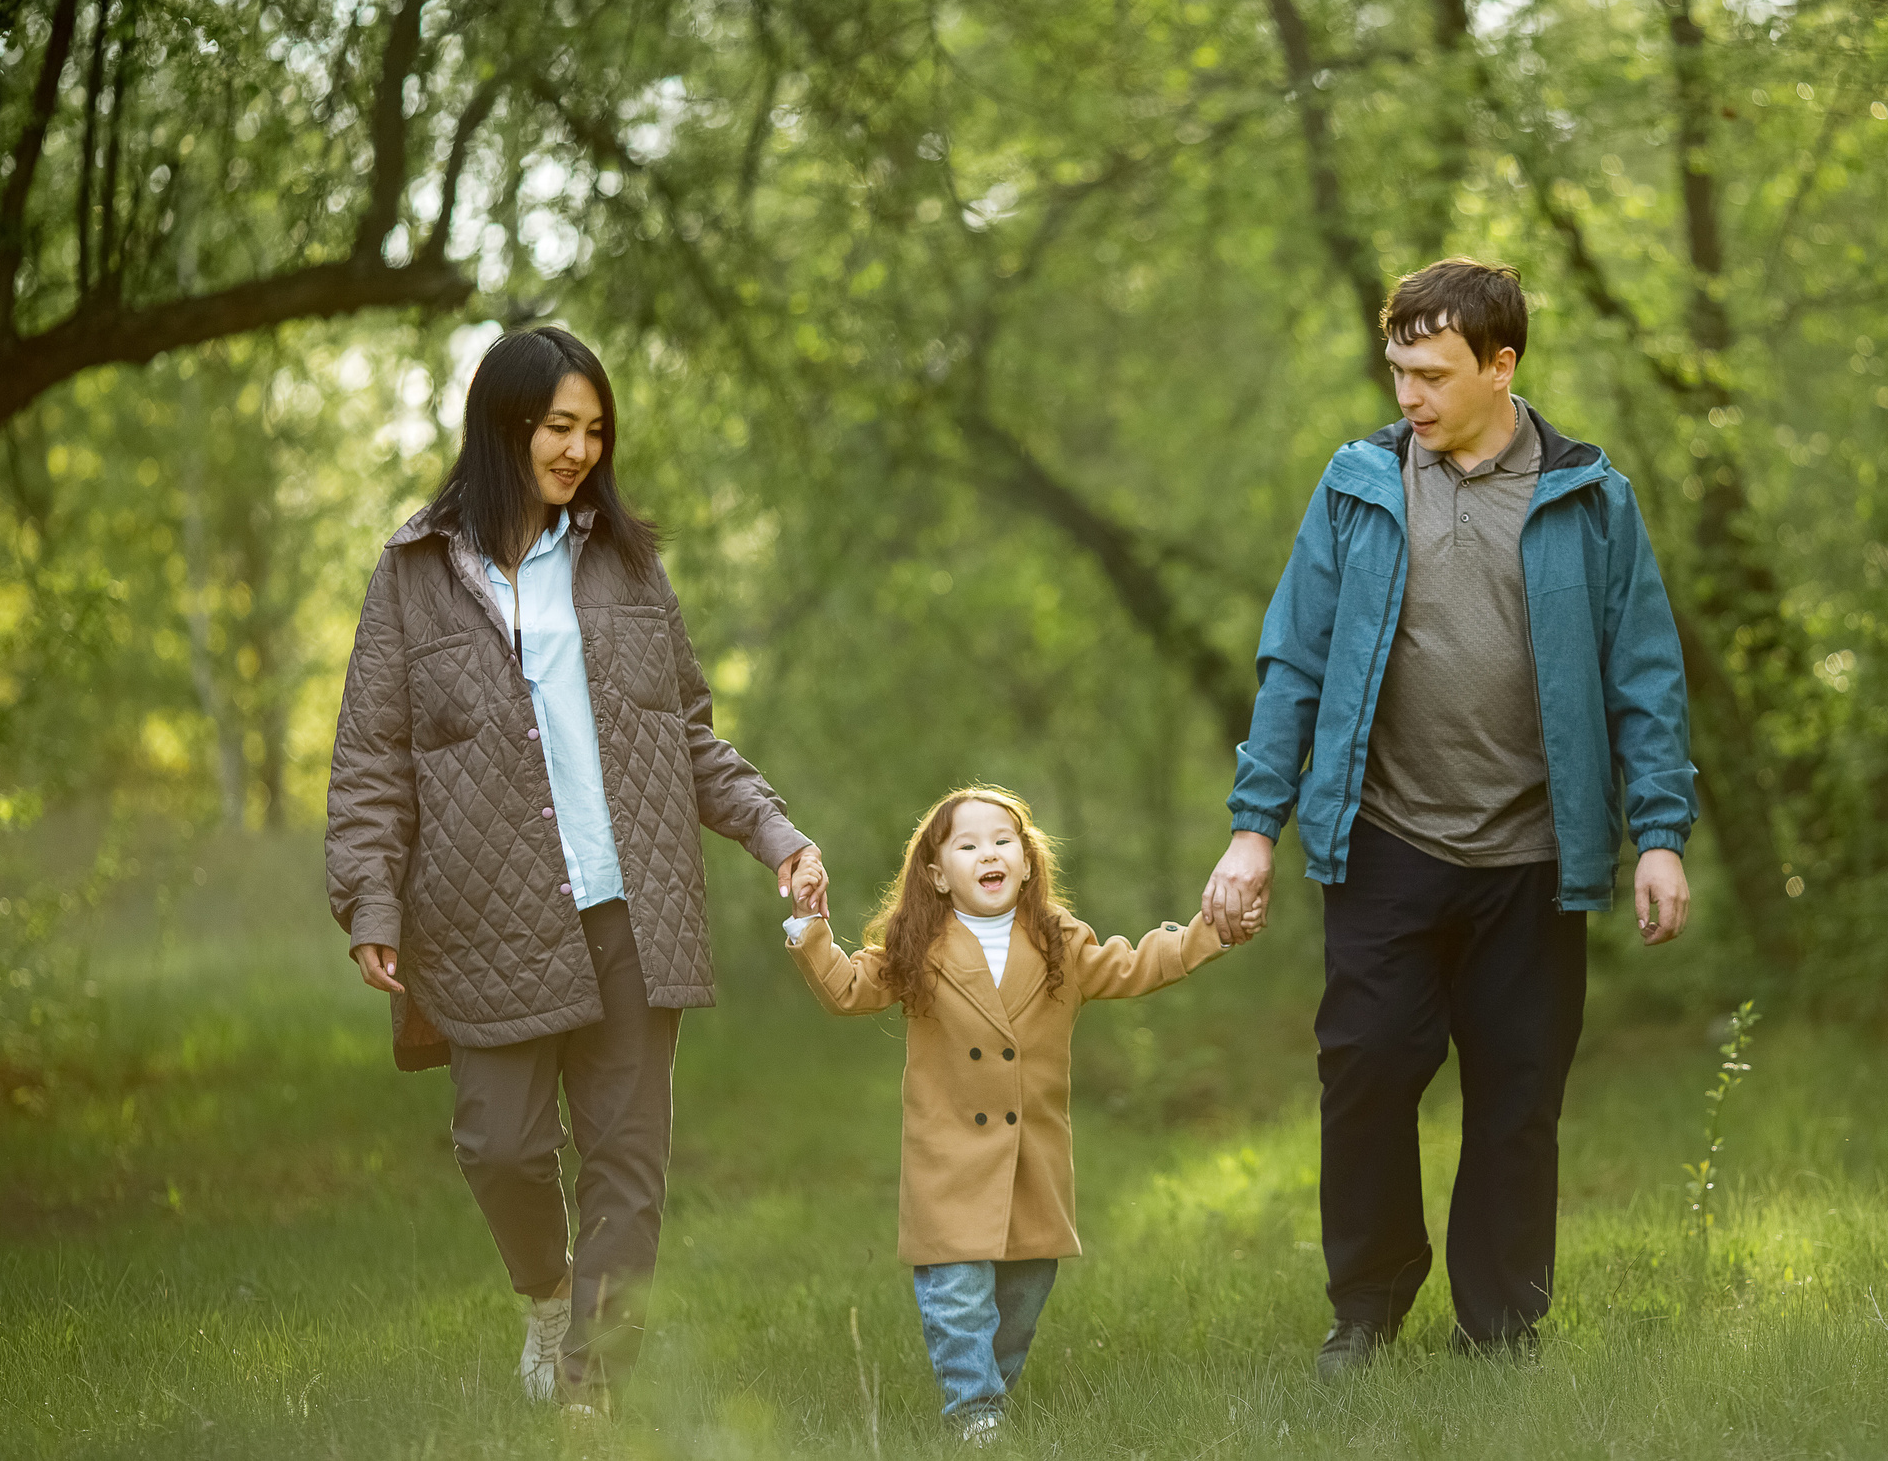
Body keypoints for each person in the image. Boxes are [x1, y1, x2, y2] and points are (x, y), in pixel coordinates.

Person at [1198, 258, 1697, 1377]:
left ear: (1501, 364)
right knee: (1366, 1071)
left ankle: (1502, 1333)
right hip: (1386, 847)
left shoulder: (1588, 495)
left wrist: (1658, 835)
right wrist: (1254, 825)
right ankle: (1364, 1311)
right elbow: (1294, 660)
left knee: (1516, 1097)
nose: (1407, 396)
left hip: (1533, 859)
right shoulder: (1359, 485)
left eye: (1430, 374)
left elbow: (1644, 676)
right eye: (1396, 371)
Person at [325, 325, 827, 1410]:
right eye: (560, 425)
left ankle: (590, 1392)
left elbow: (688, 732)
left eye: (595, 431)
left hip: (631, 909)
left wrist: (775, 833)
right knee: (498, 1148)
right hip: (479, 916)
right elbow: (371, 756)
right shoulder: (413, 572)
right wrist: (369, 898)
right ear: (505, 423)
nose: (579, 450)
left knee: (626, 1167)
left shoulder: (625, 561)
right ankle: (545, 1297)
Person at [783, 787, 1240, 1445]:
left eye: (1002, 840)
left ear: (1026, 861)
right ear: (938, 874)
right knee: (956, 1290)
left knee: (1021, 1296)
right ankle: (973, 1408)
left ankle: (989, 1389)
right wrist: (808, 927)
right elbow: (849, 987)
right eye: (966, 845)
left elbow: (1139, 964)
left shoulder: (1061, 940)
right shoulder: (919, 945)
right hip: (948, 1155)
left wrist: (1208, 934)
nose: (987, 853)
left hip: (1032, 1156)